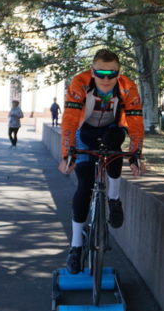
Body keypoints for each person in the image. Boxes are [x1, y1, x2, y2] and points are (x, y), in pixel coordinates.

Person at [58, 48, 145, 274]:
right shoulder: (79, 83)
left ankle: (114, 199)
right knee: (85, 186)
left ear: (119, 73)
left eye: (111, 74)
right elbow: (69, 120)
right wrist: (67, 155)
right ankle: (76, 246)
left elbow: (135, 122)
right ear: (92, 71)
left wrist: (136, 155)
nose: (106, 79)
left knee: (115, 143)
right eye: (100, 73)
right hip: (83, 131)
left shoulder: (128, 87)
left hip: (111, 130)